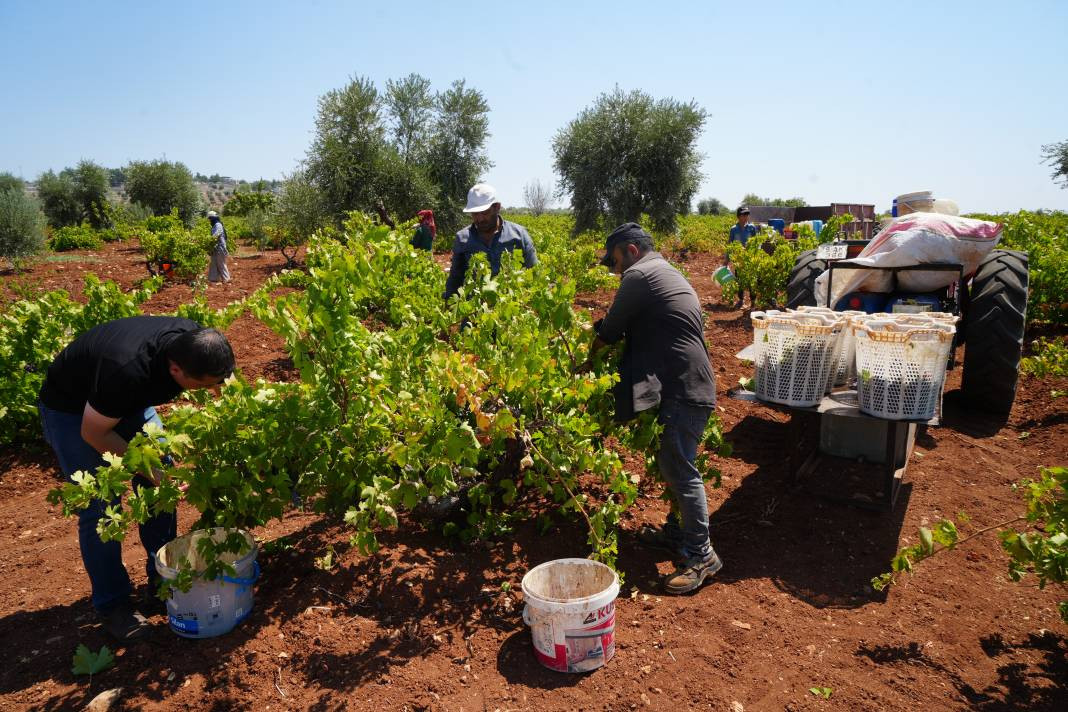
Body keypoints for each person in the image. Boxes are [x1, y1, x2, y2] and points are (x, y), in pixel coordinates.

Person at [37, 316, 235, 640]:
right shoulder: (127, 371)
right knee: (101, 507)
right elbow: (94, 432)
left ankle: (162, 578)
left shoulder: (199, 343)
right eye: (206, 385)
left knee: (162, 488)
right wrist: (152, 470)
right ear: (176, 372)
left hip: (125, 401)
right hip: (75, 413)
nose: (214, 391)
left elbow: (220, 378)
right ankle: (113, 605)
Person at [578, 223, 721, 595]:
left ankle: (702, 555)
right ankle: (676, 533)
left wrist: (585, 365)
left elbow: (610, 330)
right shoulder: (664, 270)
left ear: (631, 251)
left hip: (685, 387)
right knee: (668, 461)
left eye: (614, 261)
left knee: (679, 468)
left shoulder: (640, 275)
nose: (615, 270)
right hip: (684, 383)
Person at [444, 183, 538, 299]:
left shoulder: (519, 235)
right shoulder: (462, 239)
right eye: (475, 214)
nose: (480, 218)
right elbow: (455, 278)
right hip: (475, 311)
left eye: (484, 212)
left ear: (497, 207)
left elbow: (534, 273)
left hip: (513, 308)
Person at [726, 206, 758, 308]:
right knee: (740, 279)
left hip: (750, 258)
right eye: (743, 214)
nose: (746, 216)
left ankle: (753, 301)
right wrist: (727, 259)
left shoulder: (752, 228)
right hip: (739, 259)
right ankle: (741, 300)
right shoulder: (733, 229)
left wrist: (756, 255)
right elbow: (730, 244)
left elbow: (756, 243)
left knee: (751, 281)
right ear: (738, 216)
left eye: (747, 214)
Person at [207, 210, 230, 284]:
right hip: (215, 248)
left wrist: (208, 240)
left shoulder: (218, 225)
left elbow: (217, 234)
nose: (210, 220)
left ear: (213, 218)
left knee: (221, 263)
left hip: (220, 248)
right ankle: (213, 279)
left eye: (210, 219)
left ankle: (226, 279)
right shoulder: (214, 226)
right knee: (213, 263)